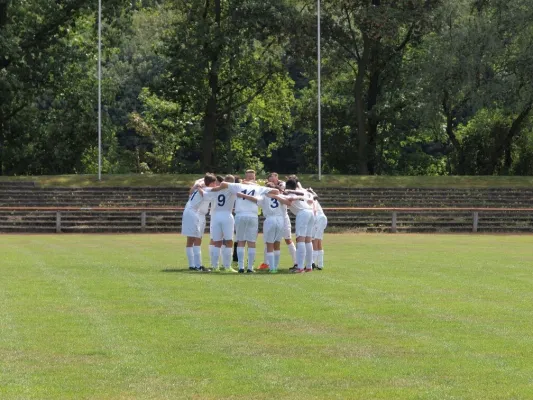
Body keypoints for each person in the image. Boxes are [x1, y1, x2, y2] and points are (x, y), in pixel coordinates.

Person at [237, 186, 295, 273]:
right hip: (280, 220)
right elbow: (289, 202)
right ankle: (275, 266)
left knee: (269, 244)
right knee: (277, 244)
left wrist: (243, 195)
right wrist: (277, 196)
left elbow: (254, 199)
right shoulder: (281, 196)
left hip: (270, 219)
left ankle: (272, 268)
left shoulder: (264, 196)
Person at [233, 177, 279, 273]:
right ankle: (250, 267)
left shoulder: (239, 186)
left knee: (241, 241)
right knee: (251, 242)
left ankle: (241, 267)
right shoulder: (259, 188)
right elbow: (276, 190)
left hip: (240, 214)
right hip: (252, 215)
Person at [258, 172, 298, 270]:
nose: (271, 180)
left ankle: (297, 262)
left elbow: (285, 192)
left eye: (273, 178)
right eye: (270, 179)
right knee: (269, 241)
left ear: (277, 178)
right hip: (277, 216)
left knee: (288, 239)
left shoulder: (282, 185)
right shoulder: (270, 190)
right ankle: (266, 263)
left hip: (283, 216)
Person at [181, 173, 217, 271]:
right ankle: (197, 266)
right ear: (213, 183)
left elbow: (201, 182)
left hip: (192, 212)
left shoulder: (200, 186)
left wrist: (198, 185)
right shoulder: (206, 190)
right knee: (195, 239)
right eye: (215, 182)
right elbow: (206, 195)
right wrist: (199, 186)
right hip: (193, 213)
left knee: (193, 240)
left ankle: (194, 265)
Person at [284, 177, 315, 273]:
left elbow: (289, 200)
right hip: (310, 212)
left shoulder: (291, 193)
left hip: (302, 214)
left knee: (300, 240)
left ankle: (300, 267)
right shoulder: (302, 191)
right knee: (308, 240)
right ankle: (309, 266)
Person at [308, 188, 327, 270]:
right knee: (318, 241)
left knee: (314, 241)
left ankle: (312, 262)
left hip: (317, 218)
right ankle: (320, 264)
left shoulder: (309, 199)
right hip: (322, 218)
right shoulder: (313, 197)